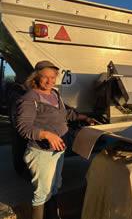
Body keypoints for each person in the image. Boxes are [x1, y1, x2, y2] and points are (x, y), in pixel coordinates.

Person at [16, 60, 94, 219]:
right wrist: (46, 134)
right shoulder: (30, 98)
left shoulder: (54, 94)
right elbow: (23, 127)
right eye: (45, 77)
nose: (50, 81)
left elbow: (66, 113)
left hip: (57, 151)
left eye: (53, 77)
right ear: (36, 77)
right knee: (42, 192)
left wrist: (83, 117)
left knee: (54, 187)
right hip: (41, 152)